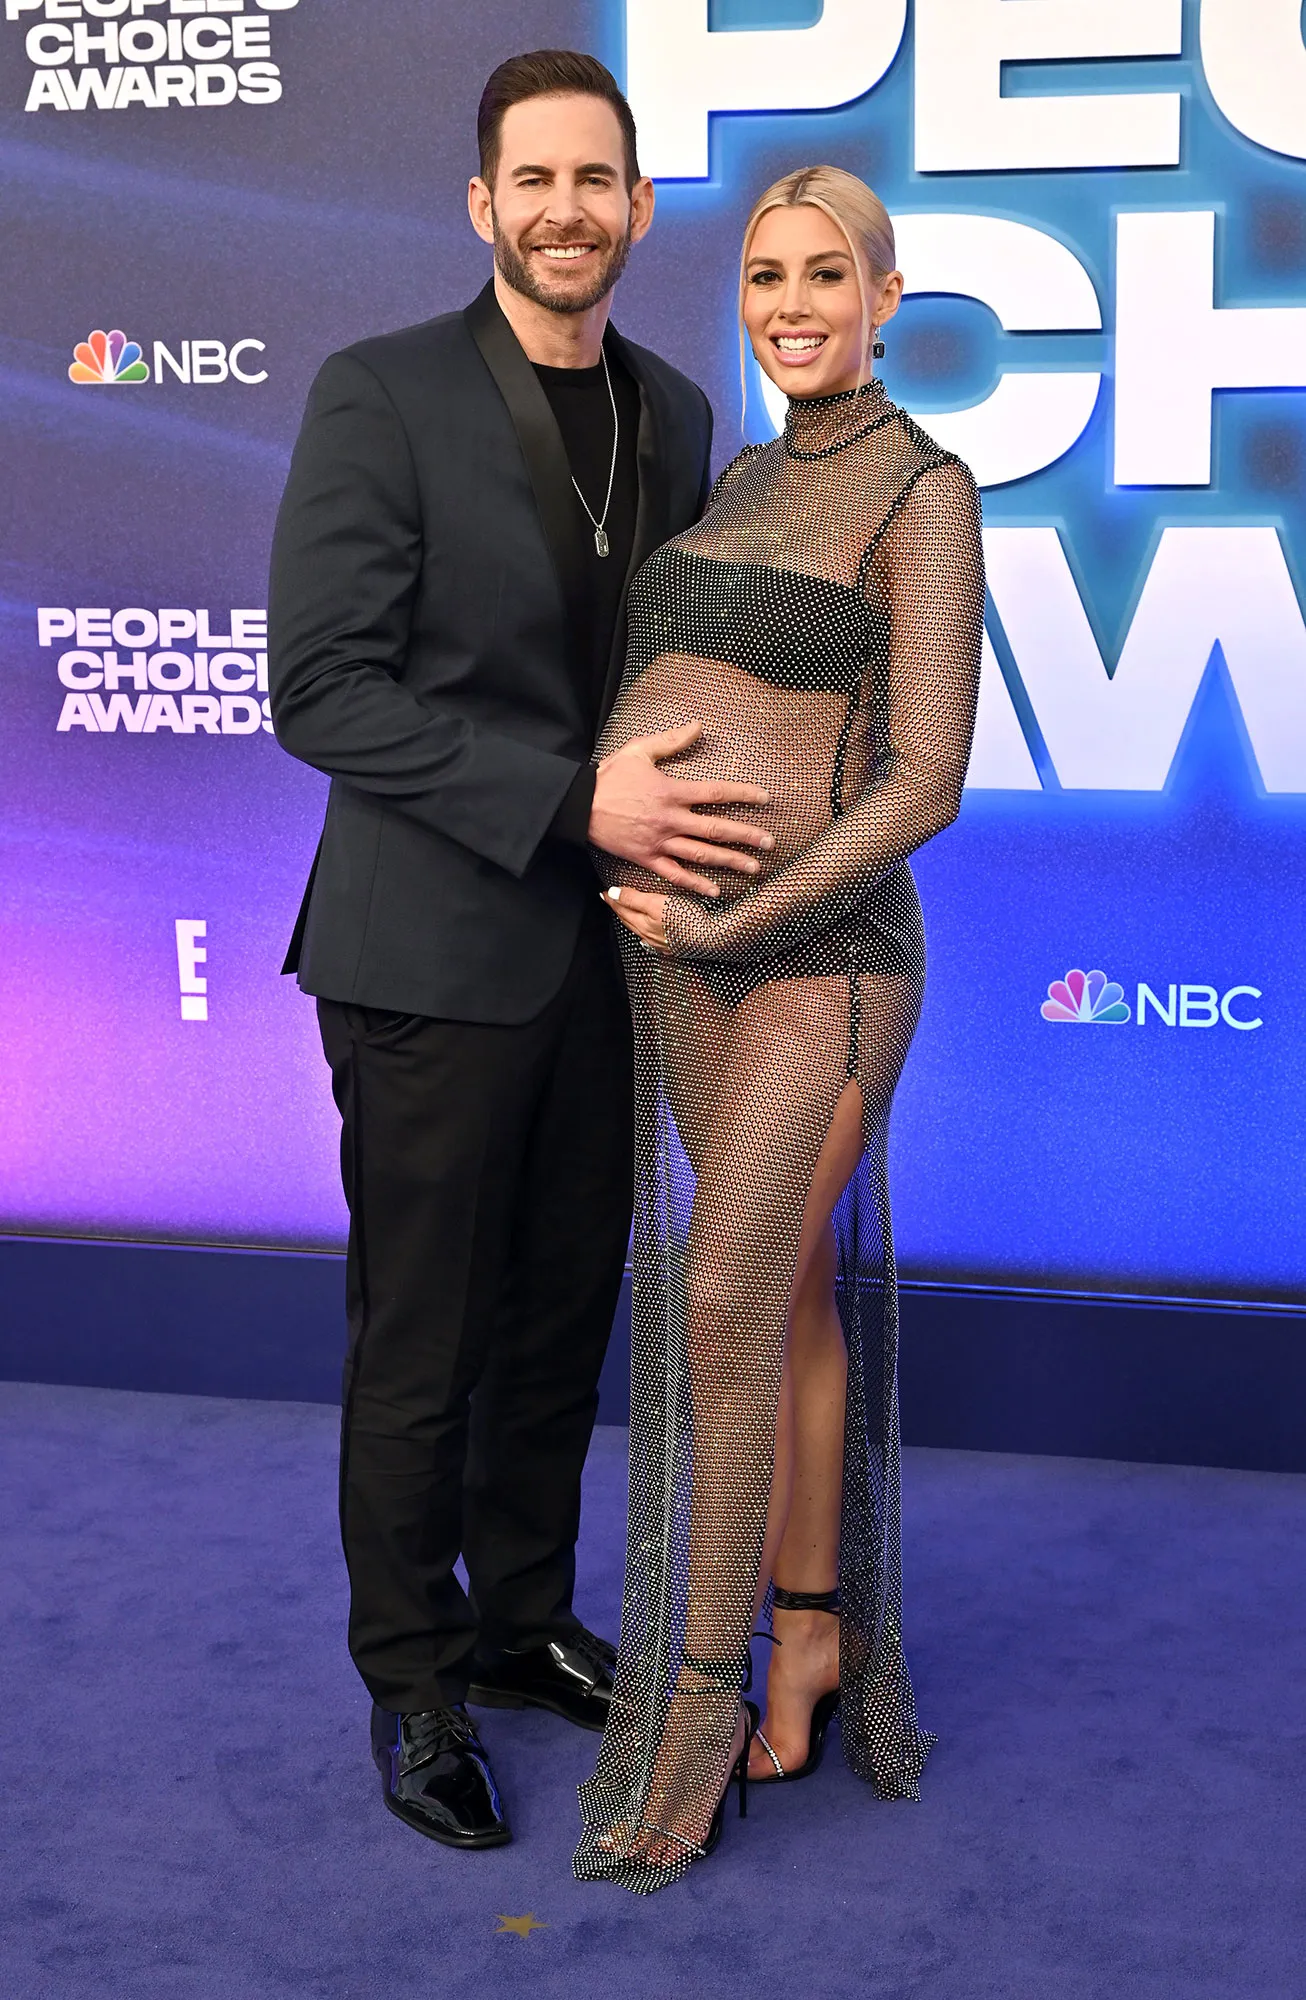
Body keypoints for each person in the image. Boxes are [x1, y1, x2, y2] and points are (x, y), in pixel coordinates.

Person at [267, 51, 771, 1853]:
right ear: (484, 203)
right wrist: (574, 802)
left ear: (638, 207)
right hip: (425, 958)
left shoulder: (674, 411)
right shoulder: (380, 391)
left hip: (611, 956)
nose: (566, 209)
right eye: (532, 179)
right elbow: (321, 689)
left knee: (563, 1314)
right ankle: (411, 1682)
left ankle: (517, 1618)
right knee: (426, 1342)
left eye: (595, 180)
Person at [576, 166, 985, 1893]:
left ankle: (695, 1696)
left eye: (827, 275)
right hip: (681, 961)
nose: (791, 305)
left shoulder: (924, 489)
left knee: (726, 1292)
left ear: (885, 298)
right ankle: (806, 1633)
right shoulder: (740, 475)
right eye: (764, 274)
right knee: (787, 1291)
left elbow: (925, 779)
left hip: (822, 961)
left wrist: (732, 915)